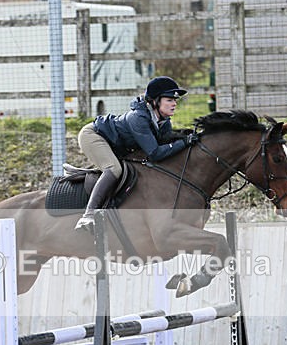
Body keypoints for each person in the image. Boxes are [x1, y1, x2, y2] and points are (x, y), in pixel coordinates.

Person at [74, 76, 196, 232]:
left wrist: (186, 137)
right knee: (114, 169)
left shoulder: (164, 122)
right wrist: (184, 142)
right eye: (169, 100)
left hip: (115, 144)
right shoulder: (138, 118)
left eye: (175, 100)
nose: (174, 103)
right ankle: (88, 216)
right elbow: (156, 153)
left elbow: (167, 144)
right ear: (155, 101)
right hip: (94, 136)